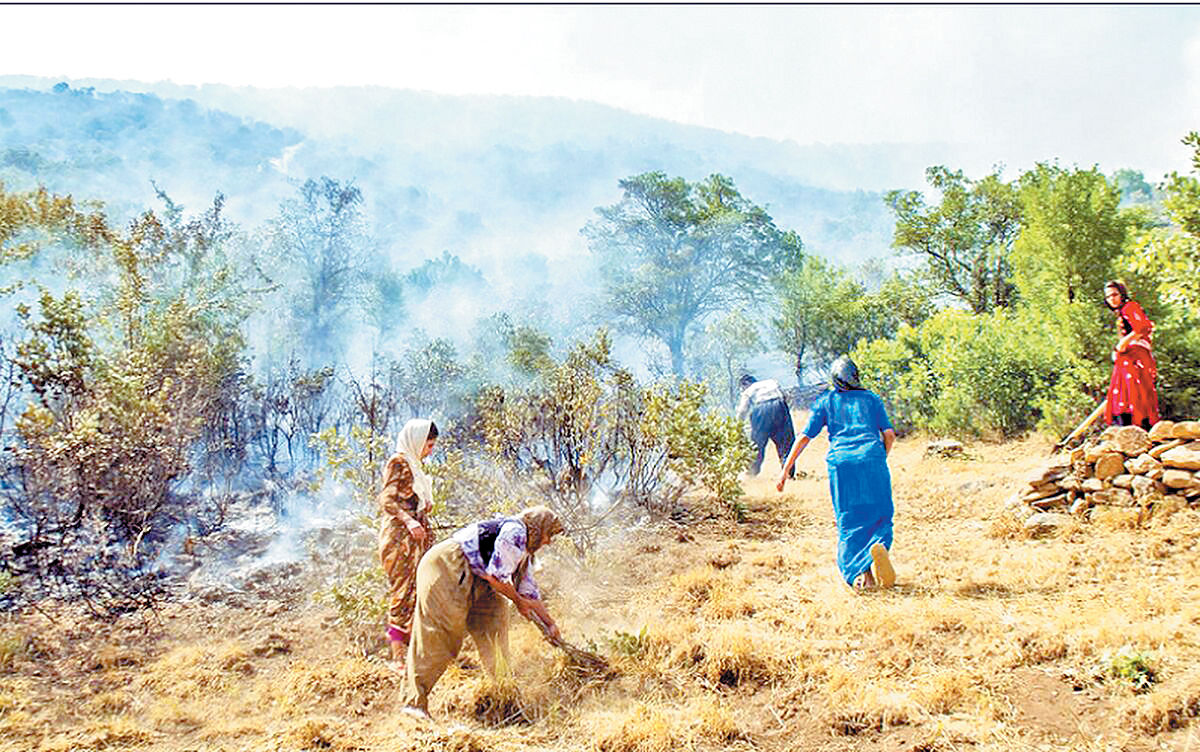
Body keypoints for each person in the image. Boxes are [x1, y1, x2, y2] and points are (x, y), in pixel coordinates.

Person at [400, 505, 564, 720]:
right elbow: (497, 578)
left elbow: (529, 594)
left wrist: (549, 624)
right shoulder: (515, 532)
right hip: (448, 565)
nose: (549, 542)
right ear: (538, 527)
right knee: (442, 632)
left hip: (481, 578)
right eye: (549, 535)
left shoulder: (525, 553)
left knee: (495, 623)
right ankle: (414, 703)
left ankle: (503, 699)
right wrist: (518, 602)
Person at [776, 356, 897, 591]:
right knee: (880, 513)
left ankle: (864, 577)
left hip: (842, 465)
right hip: (872, 457)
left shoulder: (826, 401)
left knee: (850, 519)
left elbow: (804, 437)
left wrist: (785, 470)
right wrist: (880, 457)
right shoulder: (872, 399)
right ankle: (879, 545)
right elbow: (890, 434)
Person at [378, 419, 439, 664]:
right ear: (417, 440)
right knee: (402, 593)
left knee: (419, 591)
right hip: (398, 540)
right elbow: (387, 499)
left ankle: (416, 652)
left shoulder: (415, 468)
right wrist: (409, 520)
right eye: (429, 444)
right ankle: (398, 657)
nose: (430, 451)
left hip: (415, 542)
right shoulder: (398, 462)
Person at [1102, 281, 1159, 430]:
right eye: (1108, 297)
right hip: (1130, 355)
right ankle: (1129, 431)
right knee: (1125, 390)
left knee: (1133, 389)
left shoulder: (1130, 307)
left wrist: (1121, 345)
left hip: (1136, 356)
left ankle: (1139, 429)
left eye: (1115, 294)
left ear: (1122, 294)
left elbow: (1143, 327)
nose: (1112, 299)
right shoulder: (1122, 312)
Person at [735, 374, 796, 477]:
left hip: (761, 408)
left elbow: (742, 411)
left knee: (757, 445)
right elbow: (785, 396)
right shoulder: (771, 382)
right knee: (786, 443)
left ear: (746, 384)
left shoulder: (749, 390)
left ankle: (751, 474)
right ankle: (789, 473)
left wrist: (738, 427)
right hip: (779, 405)